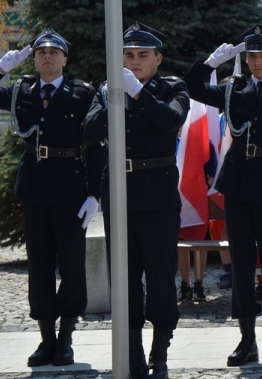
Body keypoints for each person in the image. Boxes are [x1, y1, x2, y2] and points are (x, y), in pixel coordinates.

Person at [0, 28, 104, 367]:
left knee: (71, 266)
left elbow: (96, 144)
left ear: (65, 59)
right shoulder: (22, 91)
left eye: (54, 52)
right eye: (41, 52)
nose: (46, 56)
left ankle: (67, 338)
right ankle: (46, 339)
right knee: (39, 264)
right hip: (36, 187)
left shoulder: (82, 94)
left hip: (71, 187)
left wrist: (94, 194)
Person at [182, 25, 262, 367]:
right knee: (240, 266)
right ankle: (246, 339)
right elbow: (191, 87)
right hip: (238, 184)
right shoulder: (233, 89)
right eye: (251, 56)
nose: (256, 62)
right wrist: (210, 63)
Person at [81, 22, 189, 379]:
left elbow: (169, 120)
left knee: (160, 276)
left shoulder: (173, 87)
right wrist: (116, 95)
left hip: (156, 192)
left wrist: (139, 93)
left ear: (158, 58)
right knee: (123, 277)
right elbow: (89, 131)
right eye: (128, 55)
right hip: (119, 190)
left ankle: (160, 353)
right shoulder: (109, 88)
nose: (134, 61)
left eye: (143, 55)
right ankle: (133, 354)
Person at [177, 140, 218, 302]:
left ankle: (198, 283)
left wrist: (202, 189)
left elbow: (213, 172)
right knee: (182, 243)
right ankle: (185, 285)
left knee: (201, 240)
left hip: (198, 201)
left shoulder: (205, 142)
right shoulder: (172, 139)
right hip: (179, 200)